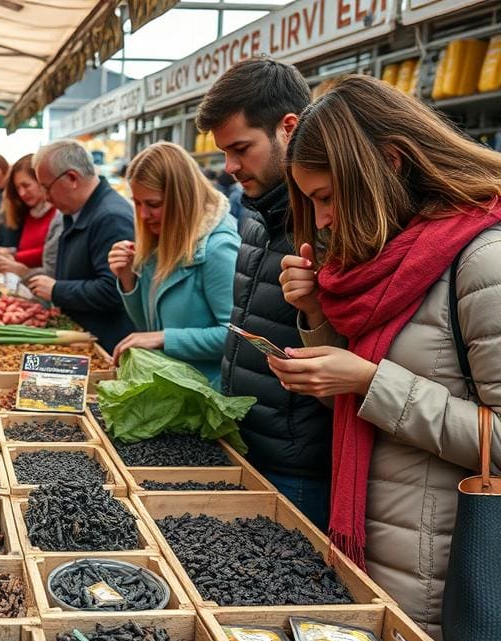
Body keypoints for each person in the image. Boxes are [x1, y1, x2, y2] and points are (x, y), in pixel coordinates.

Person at [267, 74, 501, 639]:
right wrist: (319, 319)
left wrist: (372, 382)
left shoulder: (483, 262)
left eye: (326, 197)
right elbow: (369, 411)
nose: (321, 220)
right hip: (381, 564)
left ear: (390, 164)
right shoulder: (386, 260)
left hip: (452, 585)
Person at [196, 56, 331, 531]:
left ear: (288, 128)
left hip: (299, 466)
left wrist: (314, 309)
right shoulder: (256, 212)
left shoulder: (328, 223)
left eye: (240, 149)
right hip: (249, 445)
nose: (230, 167)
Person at [106, 142, 239, 387]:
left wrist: (165, 338)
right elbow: (146, 327)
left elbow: (235, 335)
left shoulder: (218, 248)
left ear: (182, 198)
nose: (143, 215)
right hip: (170, 390)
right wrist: (127, 278)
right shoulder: (160, 242)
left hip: (205, 397)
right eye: (137, 203)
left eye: (153, 204)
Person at [31, 140, 134, 353]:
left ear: (72, 178)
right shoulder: (78, 212)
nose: (47, 198)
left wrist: (57, 290)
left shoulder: (111, 218)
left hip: (105, 346)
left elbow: (113, 291)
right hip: (85, 339)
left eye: (47, 187)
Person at [0, 153, 62, 282]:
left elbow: (50, 255)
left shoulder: (59, 213)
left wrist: (15, 257)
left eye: (26, 185)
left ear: (41, 181)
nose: (22, 193)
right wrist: (10, 252)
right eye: (18, 188)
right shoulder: (31, 211)